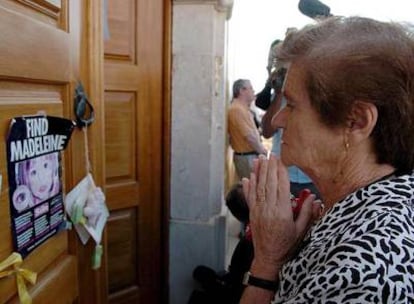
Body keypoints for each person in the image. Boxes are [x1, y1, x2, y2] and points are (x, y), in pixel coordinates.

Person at [240, 16, 414, 303]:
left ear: (357, 121)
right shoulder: (369, 207)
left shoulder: (361, 275)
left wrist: (267, 264)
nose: (280, 119)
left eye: (292, 105)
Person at [228, 79, 267, 179]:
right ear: (242, 90)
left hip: (249, 156)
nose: (253, 91)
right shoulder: (237, 110)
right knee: (252, 190)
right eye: (251, 88)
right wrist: (262, 151)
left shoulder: (242, 108)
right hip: (247, 158)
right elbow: (250, 137)